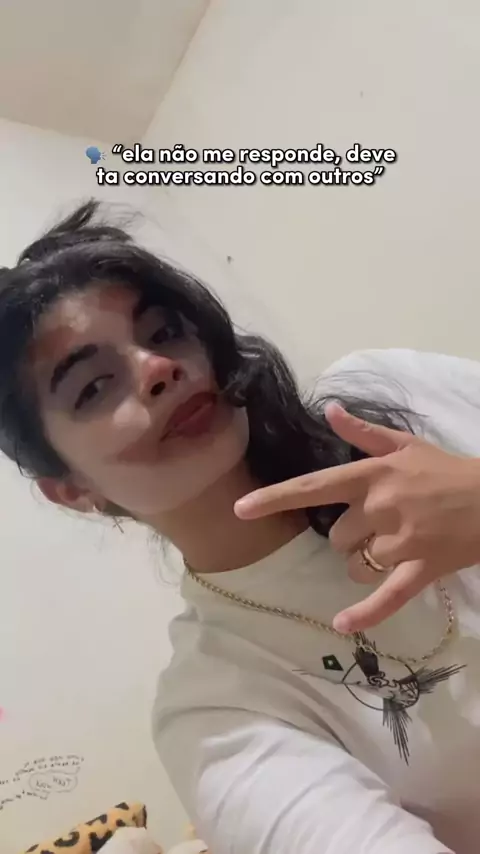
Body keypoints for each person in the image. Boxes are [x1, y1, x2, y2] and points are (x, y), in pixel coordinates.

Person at [1, 200, 480, 854]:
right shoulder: (217, 713)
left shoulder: (395, 397)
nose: (156, 367)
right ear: (72, 490)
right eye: (92, 386)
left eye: (164, 331)